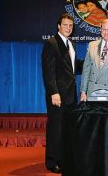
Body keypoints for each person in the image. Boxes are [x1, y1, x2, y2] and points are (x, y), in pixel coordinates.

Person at [41, 13, 83, 174]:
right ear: (58, 26)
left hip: (71, 95)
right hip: (58, 96)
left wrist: (93, 64)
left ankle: (64, 159)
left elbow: (73, 68)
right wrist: (54, 92)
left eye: (71, 26)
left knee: (67, 129)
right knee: (55, 128)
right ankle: (52, 161)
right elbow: (48, 72)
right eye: (65, 25)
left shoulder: (71, 43)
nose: (68, 28)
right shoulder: (51, 43)